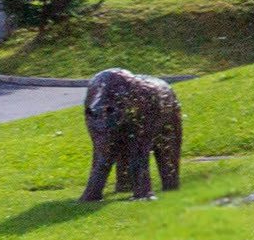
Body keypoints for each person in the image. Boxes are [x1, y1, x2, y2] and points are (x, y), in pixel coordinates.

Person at [77, 69, 184, 203]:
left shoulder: (142, 101)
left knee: (162, 150)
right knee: (113, 148)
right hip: (122, 107)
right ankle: (124, 185)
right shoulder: (97, 106)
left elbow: (140, 151)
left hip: (158, 109)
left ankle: (155, 186)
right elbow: (103, 148)